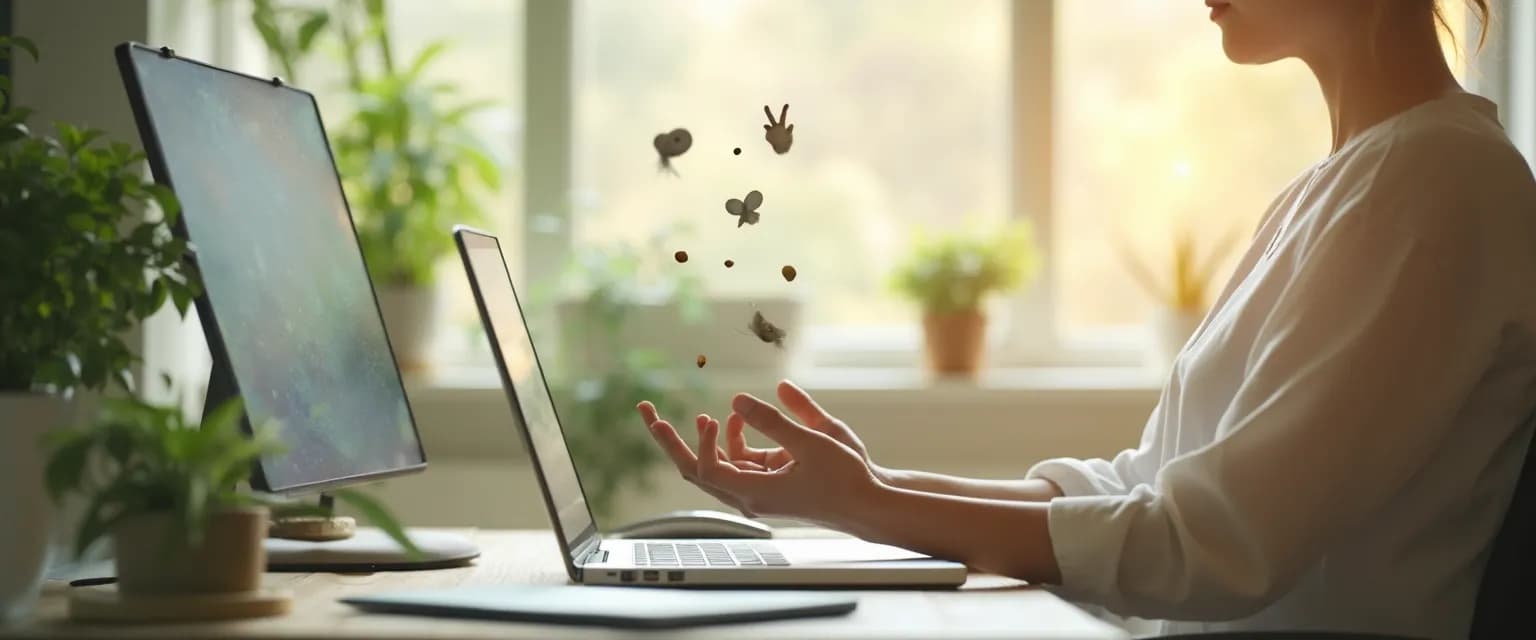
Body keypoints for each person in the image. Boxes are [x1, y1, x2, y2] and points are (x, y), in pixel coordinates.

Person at [636, 0, 1536, 636]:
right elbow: (1150, 482)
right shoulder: (1350, 181)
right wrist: (876, 486)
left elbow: (1211, 549)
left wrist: (873, 507)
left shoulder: (1435, 183)